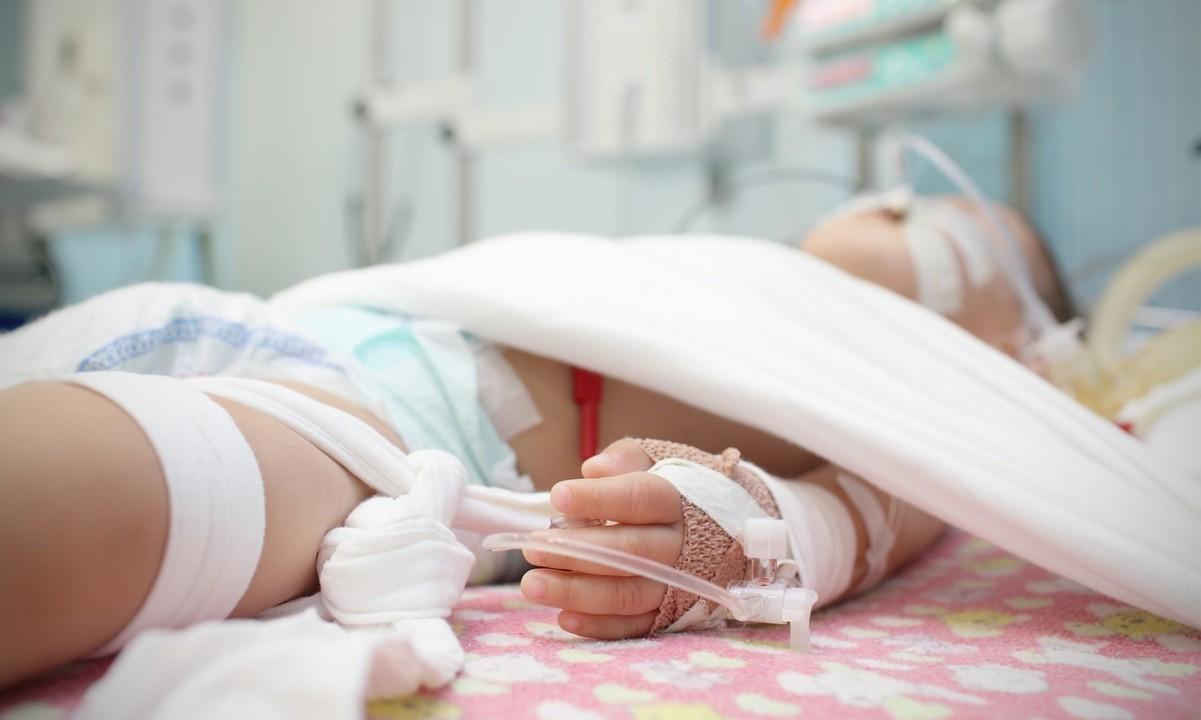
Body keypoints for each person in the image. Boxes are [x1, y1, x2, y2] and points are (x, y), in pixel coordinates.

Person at [0, 194, 1067, 689]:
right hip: (240, 331)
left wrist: (759, 534)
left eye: (959, 222)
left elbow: (907, 496)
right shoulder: (733, 287)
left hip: (364, 449)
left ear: (1014, 355)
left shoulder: (933, 411)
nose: (899, 201)